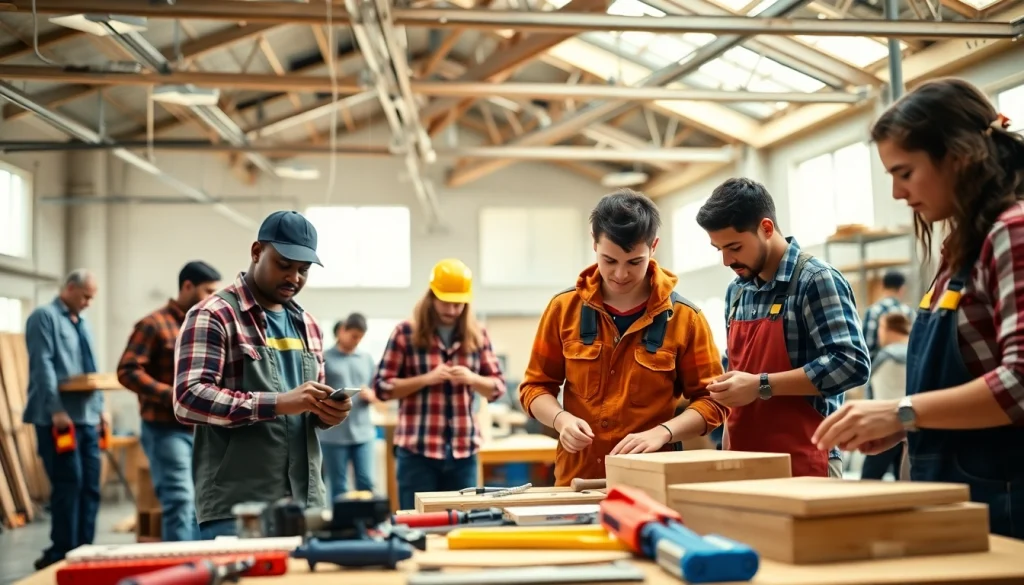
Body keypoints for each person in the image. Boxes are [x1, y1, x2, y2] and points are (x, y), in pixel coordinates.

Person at [812, 78, 1024, 538]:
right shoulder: (959, 250)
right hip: (961, 498)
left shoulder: (1013, 232)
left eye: (904, 172)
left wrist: (903, 411)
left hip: (1006, 507)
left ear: (959, 155)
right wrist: (908, 427)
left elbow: (1019, 384)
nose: (896, 193)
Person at [519, 189, 728, 486]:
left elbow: (713, 402)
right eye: (609, 260)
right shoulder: (562, 310)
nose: (619, 274)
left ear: (653, 247)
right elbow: (535, 387)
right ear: (594, 242)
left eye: (634, 262)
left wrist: (663, 432)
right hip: (576, 481)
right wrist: (560, 420)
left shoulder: (685, 319)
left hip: (652, 482)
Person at [174, 211, 351, 539]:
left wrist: (328, 413)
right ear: (257, 252)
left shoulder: (308, 325)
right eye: (284, 264)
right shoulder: (213, 315)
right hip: (240, 508)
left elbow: (304, 412)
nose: (294, 278)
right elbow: (188, 399)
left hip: (306, 503)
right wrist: (278, 403)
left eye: (303, 270)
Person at [696, 178, 870, 478]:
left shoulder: (815, 279)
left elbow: (851, 363)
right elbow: (738, 370)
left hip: (805, 463)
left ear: (766, 228)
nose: (726, 260)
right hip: (743, 462)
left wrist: (761, 385)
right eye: (719, 249)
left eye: (734, 247)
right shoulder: (738, 291)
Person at [373, 258, 506, 510]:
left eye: (458, 304)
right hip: (417, 453)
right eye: (446, 302)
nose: (452, 310)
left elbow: (497, 387)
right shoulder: (405, 333)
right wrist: (426, 379)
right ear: (432, 296)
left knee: (464, 524)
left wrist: (472, 378)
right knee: (418, 526)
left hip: (463, 453)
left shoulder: (478, 334)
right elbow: (381, 387)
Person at [116, 261, 221, 542]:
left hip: (201, 431)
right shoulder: (152, 325)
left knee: (203, 505)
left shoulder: (205, 324)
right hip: (166, 429)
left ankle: (198, 567)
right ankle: (179, 571)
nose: (213, 297)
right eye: (207, 291)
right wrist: (171, 394)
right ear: (187, 286)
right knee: (180, 501)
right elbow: (127, 370)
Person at [23, 269, 102, 570]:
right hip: (58, 420)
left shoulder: (83, 323)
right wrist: (56, 409)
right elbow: (42, 366)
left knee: (90, 485)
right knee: (70, 484)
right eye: (85, 296)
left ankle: (85, 550)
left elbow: (92, 371)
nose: (88, 303)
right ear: (69, 288)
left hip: (87, 419)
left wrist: (100, 410)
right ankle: (62, 554)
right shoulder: (44, 318)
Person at [317, 313, 379, 499]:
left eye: (360, 337)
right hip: (333, 435)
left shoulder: (366, 358)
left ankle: (368, 526)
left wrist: (372, 395)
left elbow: (378, 390)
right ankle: (342, 527)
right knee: (339, 486)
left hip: (363, 433)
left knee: (366, 482)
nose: (356, 341)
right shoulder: (324, 358)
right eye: (353, 336)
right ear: (342, 330)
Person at [858, 312, 910, 480]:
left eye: (881, 327)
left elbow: (876, 395)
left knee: (868, 480)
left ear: (888, 329)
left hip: (883, 426)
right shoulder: (916, 353)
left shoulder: (885, 357)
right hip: (909, 426)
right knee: (902, 480)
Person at [862, 271, 913, 360]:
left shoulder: (873, 311)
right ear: (902, 289)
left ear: (882, 286)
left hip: (879, 367)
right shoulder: (909, 312)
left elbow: (867, 346)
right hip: (905, 365)